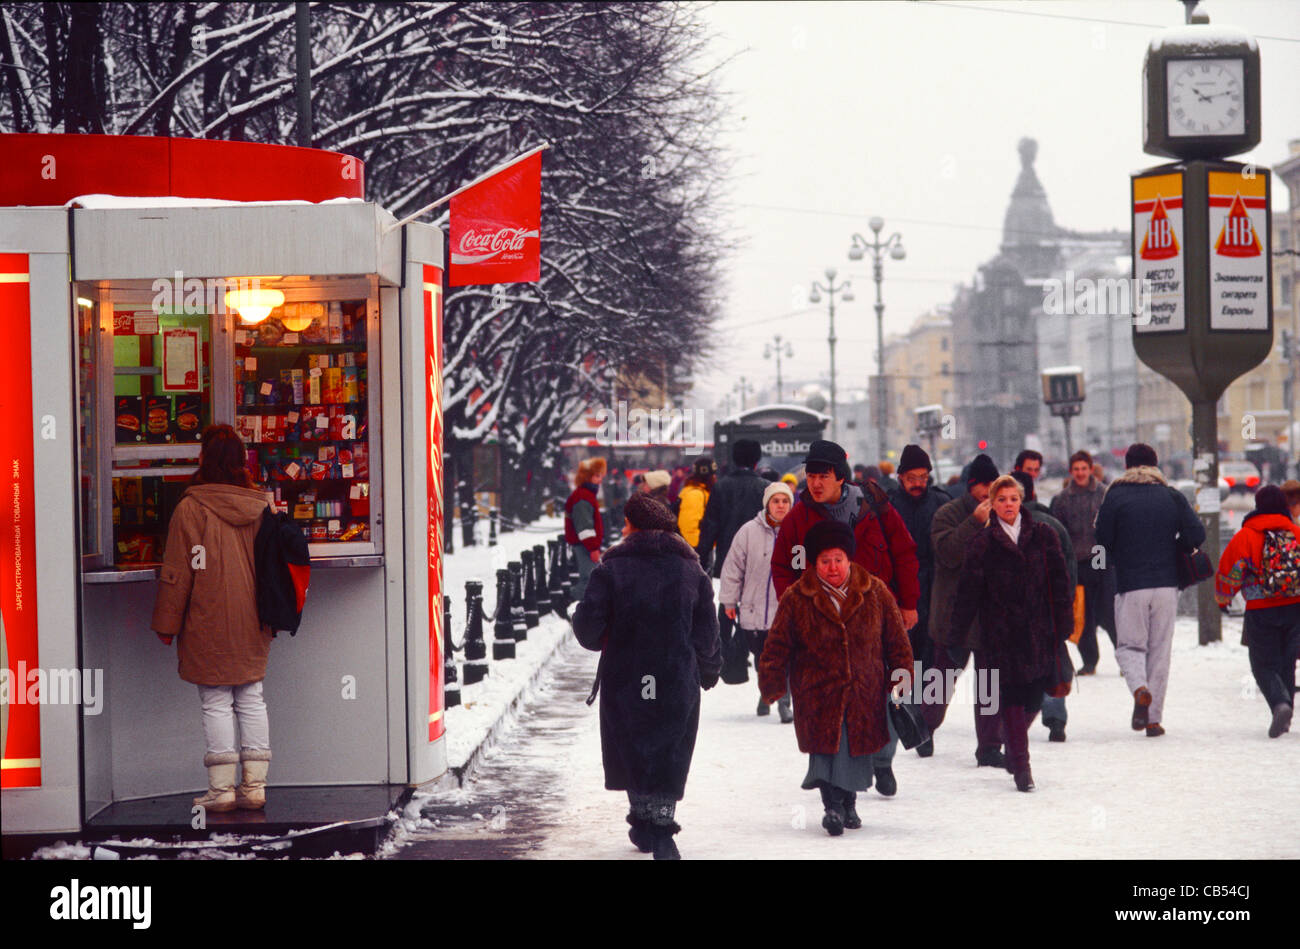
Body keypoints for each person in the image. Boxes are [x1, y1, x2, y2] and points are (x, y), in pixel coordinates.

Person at [572, 493, 722, 859]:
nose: (622, 529)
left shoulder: (611, 570)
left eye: (625, 522)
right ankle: (659, 825)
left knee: (634, 744)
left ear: (636, 525)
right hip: (676, 675)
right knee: (670, 745)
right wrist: (710, 667)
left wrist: (581, 615)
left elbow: (589, 630)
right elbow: (707, 630)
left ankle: (646, 821)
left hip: (628, 676)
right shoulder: (692, 571)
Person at [770, 439, 919, 794]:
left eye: (823, 475)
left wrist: (909, 603)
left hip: (876, 619)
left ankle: (882, 761)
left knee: (886, 694)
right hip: (824, 624)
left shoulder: (874, 507)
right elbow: (785, 567)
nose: (815, 483)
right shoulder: (799, 518)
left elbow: (904, 552)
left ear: (841, 477)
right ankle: (837, 782)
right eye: (810, 475)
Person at [759, 520, 913, 835]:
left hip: (864, 688)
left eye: (838, 560)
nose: (832, 568)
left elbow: (897, 640)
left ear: (849, 560)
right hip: (816, 691)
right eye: (825, 561)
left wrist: (901, 676)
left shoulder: (875, 590)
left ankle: (849, 802)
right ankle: (832, 806)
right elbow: (777, 645)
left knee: (855, 747)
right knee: (825, 749)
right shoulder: (797, 596)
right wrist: (772, 682)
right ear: (814, 563)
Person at [151, 424, 274, 813]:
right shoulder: (262, 506)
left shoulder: (192, 507)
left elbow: (180, 571)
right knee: (251, 696)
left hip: (207, 616)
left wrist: (167, 625)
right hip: (254, 617)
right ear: (241, 461)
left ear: (203, 458)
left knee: (217, 699)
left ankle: (221, 791)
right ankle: (254, 787)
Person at [950, 475, 1072, 791]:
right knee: (1013, 698)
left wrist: (1063, 623)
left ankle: (1012, 740)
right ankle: (1021, 766)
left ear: (1021, 501)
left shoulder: (1043, 536)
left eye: (1013, 499)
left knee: (1033, 697)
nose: (1008, 505)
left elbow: (1059, 582)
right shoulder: (981, 542)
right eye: (1001, 499)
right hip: (1000, 634)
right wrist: (957, 633)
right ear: (992, 503)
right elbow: (967, 593)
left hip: (1038, 630)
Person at [1095, 443, 1205, 737]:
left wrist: (1102, 569)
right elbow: (1197, 533)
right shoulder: (1171, 495)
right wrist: (1175, 547)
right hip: (1167, 585)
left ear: (1128, 466)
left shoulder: (1115, 496)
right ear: (1155, 465)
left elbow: (1100, 540)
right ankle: (1154, 720)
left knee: (1130, 646)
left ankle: (1140, 689)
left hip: (1131, 584)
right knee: (1160, 651)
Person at [926, 453, 1006, 765]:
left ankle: (989, 746)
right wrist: (974, 522)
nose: (988, 491)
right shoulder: (947, 514)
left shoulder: (1005, 513)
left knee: (989, 683)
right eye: (983, 485)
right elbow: (946, 554)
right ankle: (924, 727)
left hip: (989, 616)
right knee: (942, 679)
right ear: (971, 486)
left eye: (993, 485)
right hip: (953, 615)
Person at [1214, 485, 1299, 738]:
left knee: (1262, 664)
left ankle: (1279, 705)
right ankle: (1286, 715)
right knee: (1287, 662)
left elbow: (1231, 570)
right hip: (1295, 606)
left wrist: (1223, 598)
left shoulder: (1247, 535)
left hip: (1261, 609)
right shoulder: (1295, 532)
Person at [887, 444, 951, 756]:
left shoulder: (941, 503)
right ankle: (904, 720)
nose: (918, 483)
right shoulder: (887, 505)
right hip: (897, 593)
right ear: (900, 477)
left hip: (935, 592)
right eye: (912, 477)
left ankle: (926, 726)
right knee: (901, 660)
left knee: (931, 661)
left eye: (923, 477)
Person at [720, 480, 795, 721]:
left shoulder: (798, 533)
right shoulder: (748, 532)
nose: (781, 506)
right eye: (776, 501)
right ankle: (766, 693)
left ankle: (785, 703)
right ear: (767, 504)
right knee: (762, 659)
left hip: (785, 610)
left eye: (785, 501)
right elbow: (733, 569)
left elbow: (803, 569)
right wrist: (729, 602)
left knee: (786, 658)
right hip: (753, 609)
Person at [1012, 470, 1077, 742]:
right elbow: (1069, 569)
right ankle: (1055, 717)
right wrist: (1066, 603)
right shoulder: (1053, 525)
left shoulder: (1003, 526)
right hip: (1050, 608)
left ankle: (1019, 716)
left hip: (1016, 611)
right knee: (1053, 658)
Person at [1050, 450, 1112, 676]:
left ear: (1090, 469)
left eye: (1083, 468)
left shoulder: (1104, 494)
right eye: (1076, 469)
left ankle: (1124, 656)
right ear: (1071, 471)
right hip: (1076, 563)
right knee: (1082, 615)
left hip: (1100, 558)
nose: (1080, 473)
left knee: (1108, 611)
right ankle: (1089, 661)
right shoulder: (1062, 499)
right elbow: (1058, 531)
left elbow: (1110, 527)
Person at [697, 439, 766, 577]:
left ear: (734, 460)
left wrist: (701, 560)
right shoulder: (766, 488)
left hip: (727, 558)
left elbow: (710, 527)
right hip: (759, 560)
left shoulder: (720, 487)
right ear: (756, 461)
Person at [563, 457, 606, 610]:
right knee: (588, 579)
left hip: (584, 544)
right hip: (584, 546)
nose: (600, 480)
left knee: (589, 578)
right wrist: (593, 548)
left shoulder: (585, 494)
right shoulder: (583, 497)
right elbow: (584, 527)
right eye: (597, 476)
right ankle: (569, 604)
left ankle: (577, 605)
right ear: (587, 477)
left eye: (601, 475)